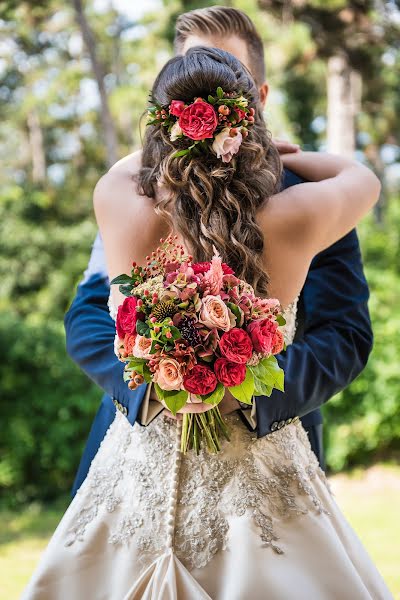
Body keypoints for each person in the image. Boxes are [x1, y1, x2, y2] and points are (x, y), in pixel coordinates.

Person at [23, 45, 392, 600]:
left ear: (159, 124)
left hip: (140, 468)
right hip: (255, 470)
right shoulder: (297, 216)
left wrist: (167, 141)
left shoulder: (120, 204)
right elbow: (361, 177)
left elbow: (129, 166)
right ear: (249, 125)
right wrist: (282, 156)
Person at [66, 6, 373, 496]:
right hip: (134, 441)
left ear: (260, 96)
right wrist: (149, 389)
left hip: (268, 447)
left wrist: (247, 397)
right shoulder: (309, 204)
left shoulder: (121, 193)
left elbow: (345, 333)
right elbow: (86, 315)